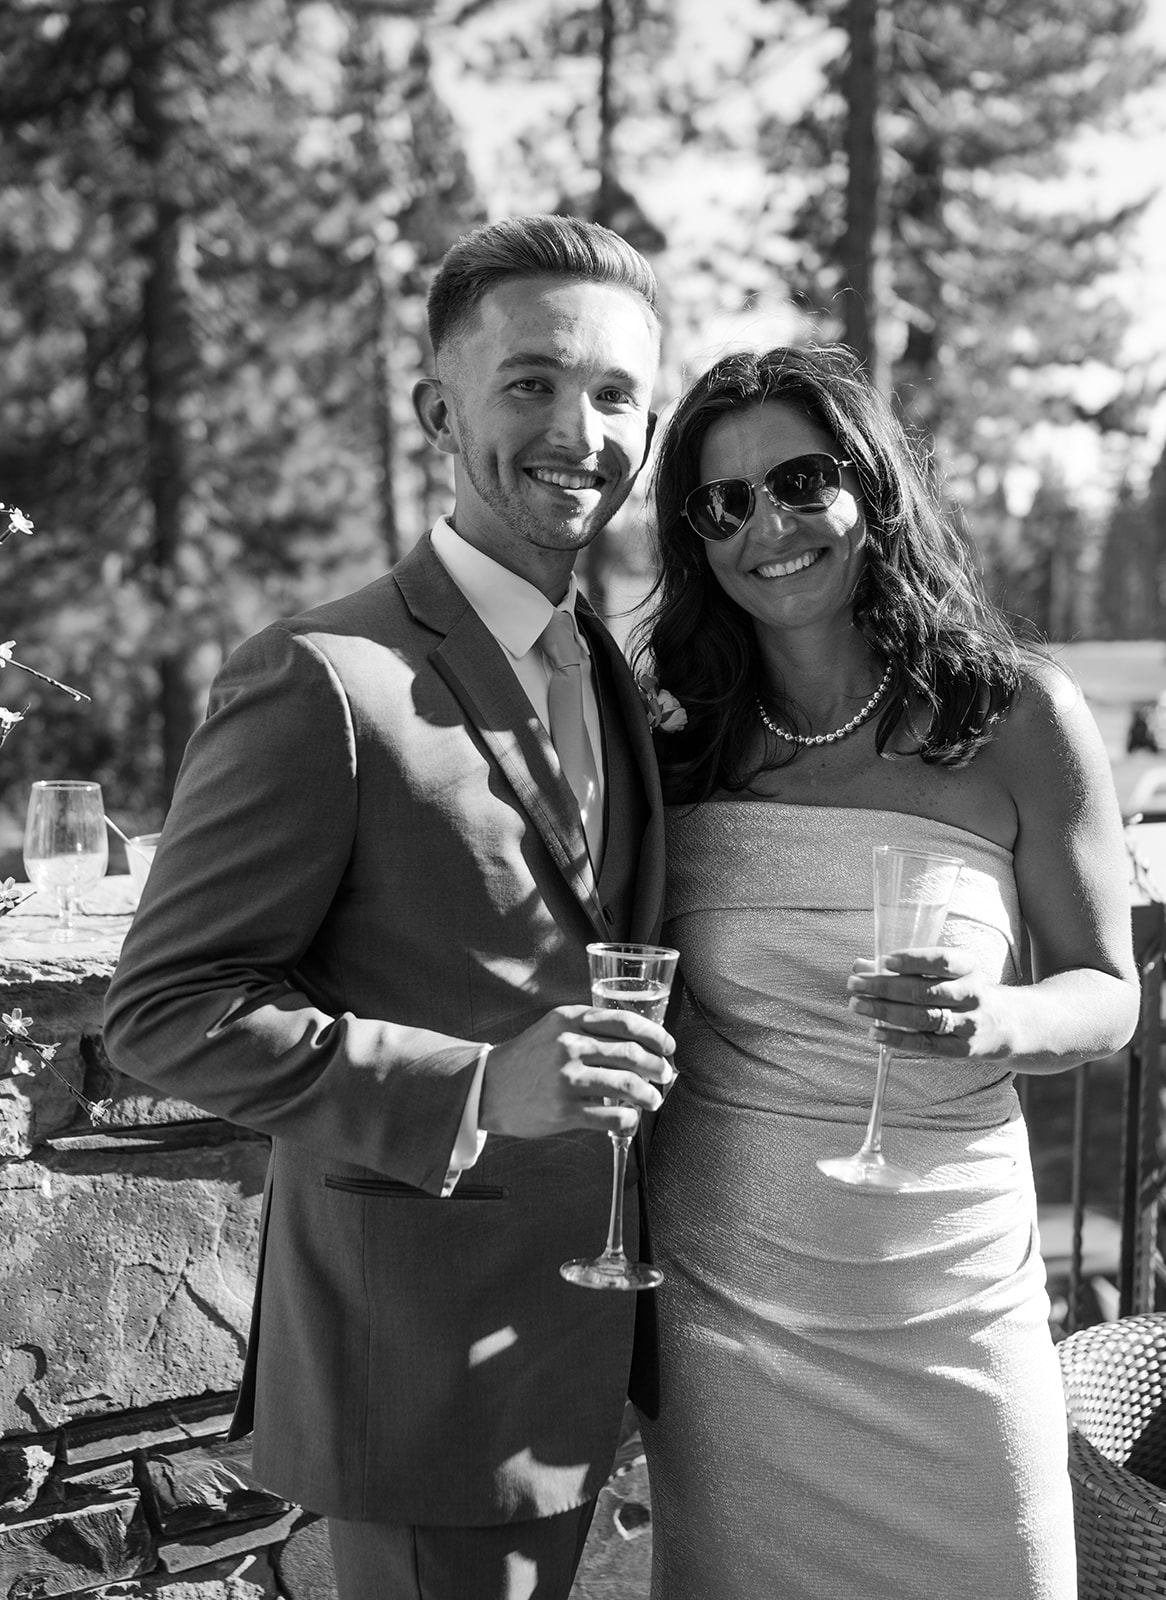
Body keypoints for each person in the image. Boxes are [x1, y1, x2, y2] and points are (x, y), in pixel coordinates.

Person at [103, 214, 675, 1600]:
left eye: (615, 397)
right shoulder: (320, 678)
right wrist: (478, 1087)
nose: (578, 430)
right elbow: (165, 1012)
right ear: (437, 406)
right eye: (529, 382)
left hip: (596, 1367)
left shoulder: (605, 667)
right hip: (422, 1376)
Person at [633, 343, 1140, 1600]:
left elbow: (1107, 992)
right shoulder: (677, 736)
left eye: (801, 480)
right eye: (724, 501)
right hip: (733, 1295)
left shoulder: (1017, 714)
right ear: (695, 538)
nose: (768, 526)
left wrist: (999, 1016)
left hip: (949, 1285)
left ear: (871, 485)